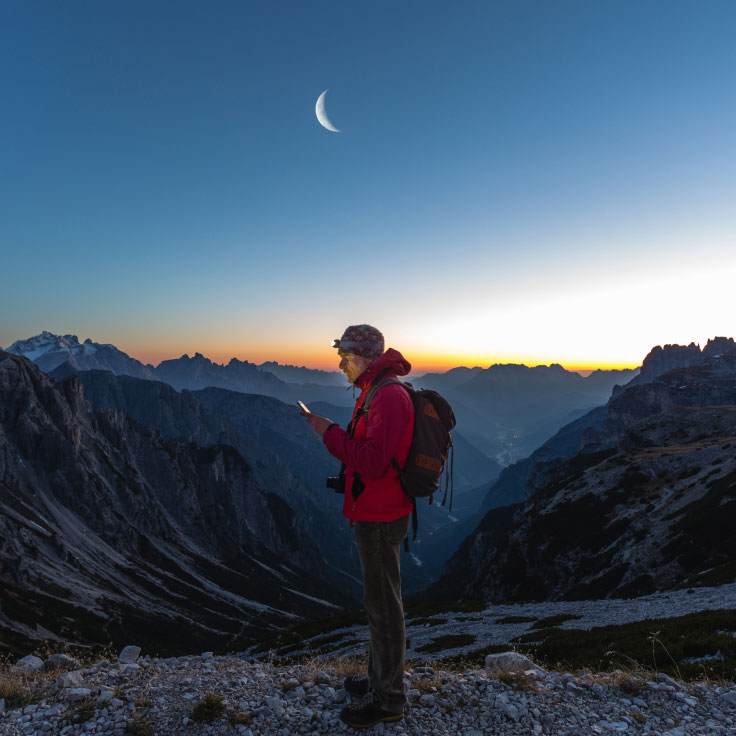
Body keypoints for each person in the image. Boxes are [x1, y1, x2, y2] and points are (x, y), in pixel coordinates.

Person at [302, 324, 414, 729]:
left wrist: (326, 432)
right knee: (378, 602)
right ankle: (378, 680)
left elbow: (373, 462)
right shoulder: (375, 391)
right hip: (374, 512)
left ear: (364, 355)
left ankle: (389, 701)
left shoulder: (388, 396)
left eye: (345, 356)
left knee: (384, 607)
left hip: (381, 518)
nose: (339, 363)